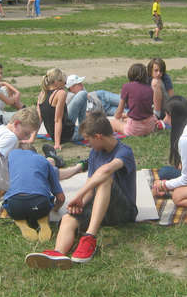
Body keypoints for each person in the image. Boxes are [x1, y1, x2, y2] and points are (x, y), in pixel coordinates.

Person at [25, 112, 138, 268]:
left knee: (105, 179)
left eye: (88, 139)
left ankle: (89, 238)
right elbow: (90, 187)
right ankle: (58, 254)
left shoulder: (124, 151)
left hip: (124, 211)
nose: (87, 144)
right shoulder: (95, 154)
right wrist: (81, 203)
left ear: (98, 136)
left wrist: (79, 195)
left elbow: (104, 171)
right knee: (68, 218)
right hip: (100, 209)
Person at [0, 107, 40, 214]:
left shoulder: (0, 128)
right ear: (16, 124)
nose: (27, 137)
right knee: (41, 170)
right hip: (2, 185)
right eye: (26, 133)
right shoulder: (11, 138)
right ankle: (65, 166)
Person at [3, 148, 65, 241]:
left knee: (10, 204)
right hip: (39, 203)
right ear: (36, 152)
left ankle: (21, 223)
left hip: (15, 204)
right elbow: (61, 198)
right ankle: (43, 222)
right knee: (43, 208)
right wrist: (55, 209)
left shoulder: (11, 157)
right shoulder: (44, 161)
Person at [110, 63, 160, 137]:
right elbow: (142, 110)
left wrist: (117, 117)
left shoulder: (127, 87)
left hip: (135, 129)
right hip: (150, 127)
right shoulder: (149, 89)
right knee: (126, 119)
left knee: (112, 122)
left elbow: (118, 113)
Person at [37, 68, 80, 150]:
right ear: (57, 82)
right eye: (64, 81)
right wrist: (57, 143)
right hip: (68, 134)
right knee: (83, 94)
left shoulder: (42, 94)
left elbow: (39, 119)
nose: (65, 84)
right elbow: (57, 120)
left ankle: (83, 127)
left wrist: (31, 138)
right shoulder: (61, 93)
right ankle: (84, 128)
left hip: (54, 135)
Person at [148, 58, 174, 123]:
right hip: (150, 106)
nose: (159, 73)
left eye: (161, 71)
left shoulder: (165, 78)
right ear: (150, 70)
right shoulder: (146, 78)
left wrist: (169, 115)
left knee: (155, 82)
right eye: (156, 70)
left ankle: (157, 114)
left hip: (164, 108)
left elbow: (172, 98)